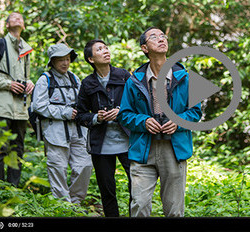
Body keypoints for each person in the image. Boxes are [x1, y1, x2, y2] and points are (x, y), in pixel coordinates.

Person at [118, 27, 202, 217]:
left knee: (174, 210)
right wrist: (144, 121)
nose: (161, 39)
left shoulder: (185, 78)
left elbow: (196, 112)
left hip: (174, 149)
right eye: (154, 37)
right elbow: (124, 114)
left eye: (163, 36)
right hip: (143, 149)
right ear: (144, 48)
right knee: (139, 204)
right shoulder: (134, 81)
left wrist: (178, 121)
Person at [76, 39, 132, 217]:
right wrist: (96, 117)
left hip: (128, 141)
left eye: (106, 48)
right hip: (101, 146)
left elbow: (139, 103)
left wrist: (121, 112)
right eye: (100, 49)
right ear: (91, 59)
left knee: (137, 187)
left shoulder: (124, 75)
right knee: (107, 191)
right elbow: (80, 115)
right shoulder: (87, 84)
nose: (106, 51)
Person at [31, 43, 92, 204]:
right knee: (58, 168)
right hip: (55, 131)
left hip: (78, 130)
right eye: (60, 60)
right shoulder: (45, 80)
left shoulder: (74, 77)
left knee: (84, 165)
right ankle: (63, 206)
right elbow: (38, 105)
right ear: (52, 62)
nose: (65, 63)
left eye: (67, 59)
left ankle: (76, 201)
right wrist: (63, 112)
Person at [0, 12, 34, 187]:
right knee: (0, 149)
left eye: (21, 18)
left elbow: (24, 76)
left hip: (20, 109)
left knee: (17, 149)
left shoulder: (26, 49)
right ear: (7, 25)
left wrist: (29, 82)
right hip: (1, 106)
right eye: (13, 17)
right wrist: (8, 84)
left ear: (23, 26)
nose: (18, 19)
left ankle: (14, 188)